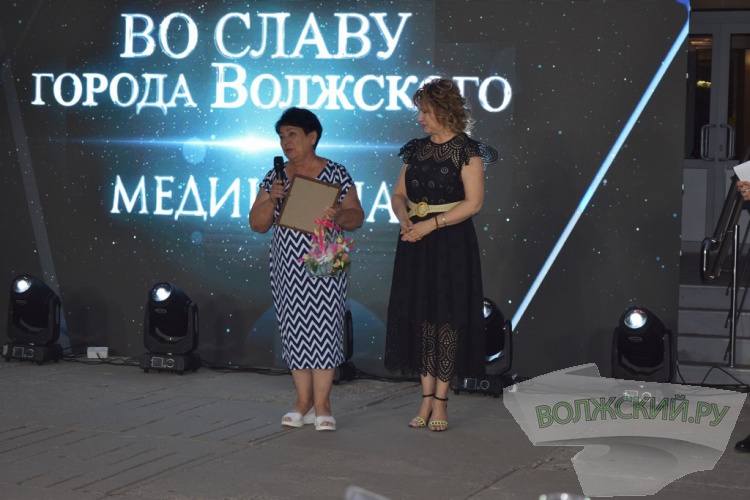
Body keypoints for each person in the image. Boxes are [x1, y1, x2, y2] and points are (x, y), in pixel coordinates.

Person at [384, 78, 498, 431]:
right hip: (415, 241)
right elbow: (399, 194)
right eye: (420, 111)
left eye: (425, 111)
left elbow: (473, 203)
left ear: (445, 112)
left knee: (446, 318)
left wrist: (430, 225)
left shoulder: (467, 151)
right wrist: (405, 219)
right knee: (420, 317)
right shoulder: (416, 149)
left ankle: (441, 402)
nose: (420, 118)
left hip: (450, 242)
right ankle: (425, 398)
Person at [249, 107, 364, 431]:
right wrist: (272, 199)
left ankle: (323, 405)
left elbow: (356, 217)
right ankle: (303, 402)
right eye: (281, 136)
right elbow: (257, 224)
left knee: (325, 328)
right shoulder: (275, 177)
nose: (286, 141)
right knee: (294, 329)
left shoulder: (336, 173)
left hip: (324, 260)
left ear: (312, 137)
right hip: (287, 265)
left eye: (292, 134)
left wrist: (339, 214)